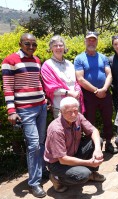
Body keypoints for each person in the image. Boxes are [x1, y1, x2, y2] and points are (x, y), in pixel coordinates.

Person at [1, 33, 47, 198]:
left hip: (41, 107)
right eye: (28, 44)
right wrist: (11, 110)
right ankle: (34, 183)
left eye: (34, 44)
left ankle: (41, 172)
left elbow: (38, 81)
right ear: (20, 43)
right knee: (33, 145)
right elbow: (7, 87)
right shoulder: (10, 60)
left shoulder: (37, 60)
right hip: (25, 109)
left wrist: (44, 99)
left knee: (41, 142)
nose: (31, 47)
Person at [44, 97, 105, 193]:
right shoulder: (56, 129)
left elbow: (94, 130)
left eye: (75, 110)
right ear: (61, 111)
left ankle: (92, 173)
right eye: (69, 112)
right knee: (83, 175)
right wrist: (89, 163)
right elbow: (63, 159)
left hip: (73, 153)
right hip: (57, 163)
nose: (73, 114)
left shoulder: (78, 116)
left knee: (98, 141)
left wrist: (97, 149)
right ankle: (57, 178)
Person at [74, 31, 118, 154]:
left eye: (94, 40)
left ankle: (109, 142)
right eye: (89, 40)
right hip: (89, 95)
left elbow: (109, 74)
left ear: (97, 41)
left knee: (108, 119)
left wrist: (104, 89)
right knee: (89, 121)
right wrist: (95, 91)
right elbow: (80, 79)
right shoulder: (79, 59)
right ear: (85, 41)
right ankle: (92, 147)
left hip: (105, 93)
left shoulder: (103, 57)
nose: (91, 42)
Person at [41, 35, 85, 118]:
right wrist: (69, 92)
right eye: (55, 45)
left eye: (61, 45)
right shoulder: (47, 65)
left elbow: (76, 82)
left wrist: (77, 91)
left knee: (77, 129)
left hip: (75, 104)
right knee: (62, 130)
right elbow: (50, 89)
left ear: (64, 47)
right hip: (60, 106)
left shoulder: (70, 64)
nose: (58, 48)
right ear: (51, 48)